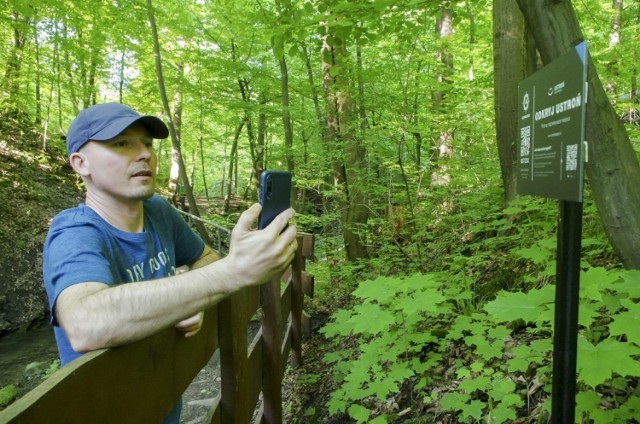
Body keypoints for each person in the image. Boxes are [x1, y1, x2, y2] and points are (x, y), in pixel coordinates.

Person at [42, 102, 297, 423]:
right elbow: (83, 324)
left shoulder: (159, 211)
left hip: (165, 409)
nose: (144, 153)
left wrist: (191, 299)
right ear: (81, 163)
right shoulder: (73, 231)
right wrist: (232, 272)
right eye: (122, 143)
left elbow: (205, 258)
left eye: (147, 143)